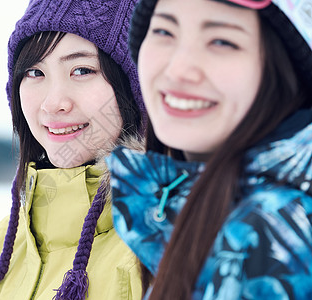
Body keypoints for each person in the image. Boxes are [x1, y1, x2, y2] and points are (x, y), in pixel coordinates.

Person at [106, 0, 312, 299]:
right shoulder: (214, 206)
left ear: (284, 65)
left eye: (221, 41)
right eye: (164, 31)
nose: (178, 70)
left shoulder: (271, 233)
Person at [0, 0, 146, 299]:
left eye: (82, 70)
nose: (53, 103)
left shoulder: (166, 246)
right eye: (34, 72)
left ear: (136, 86)